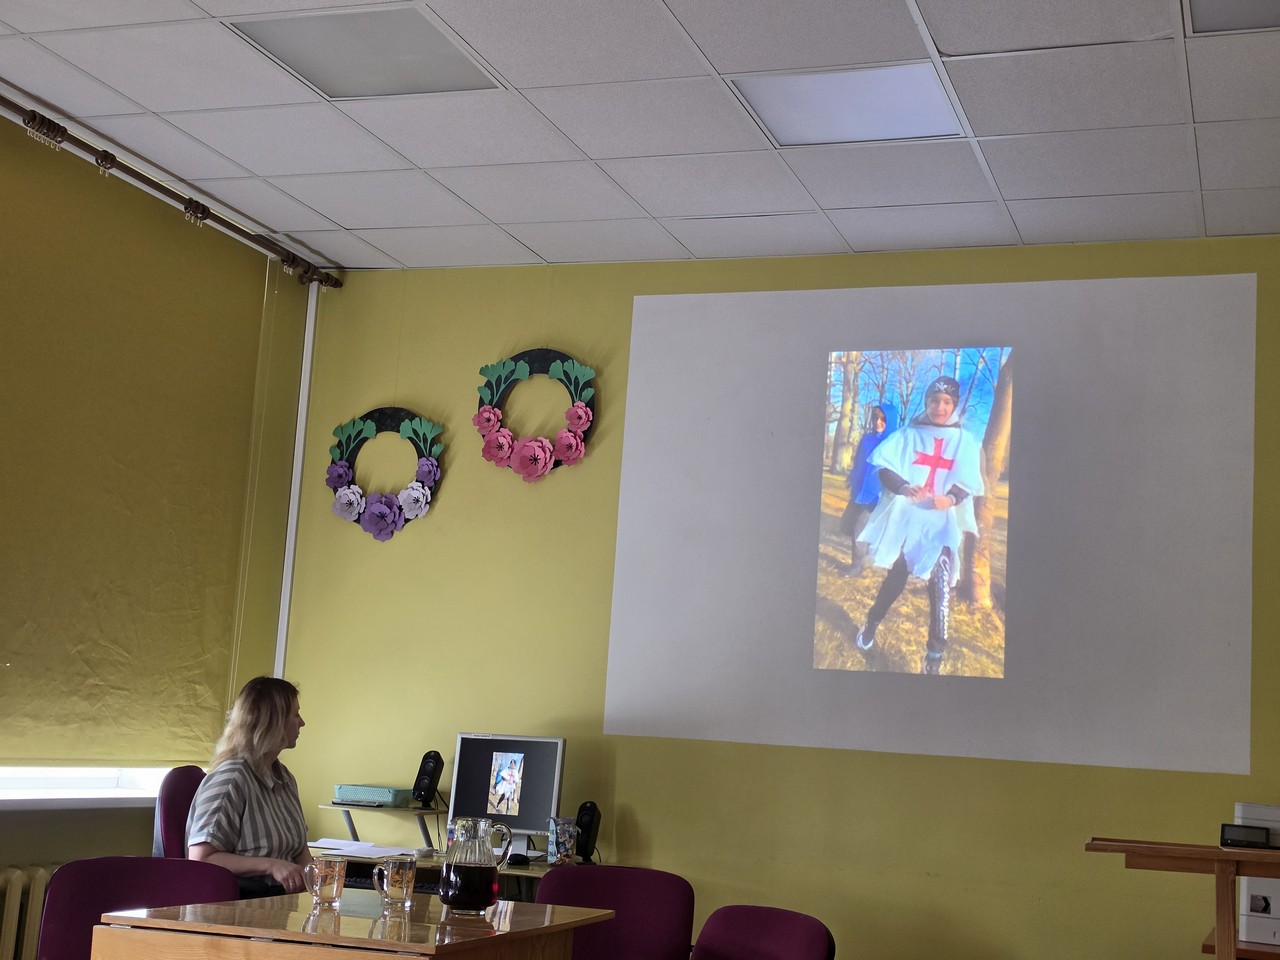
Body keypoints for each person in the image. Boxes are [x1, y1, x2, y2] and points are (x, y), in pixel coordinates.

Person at [854, 376, 984, 674]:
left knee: (940, 589)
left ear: (954, 405)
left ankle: (934, 656)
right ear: (927, 402)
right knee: (895, 581)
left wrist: (951, 498)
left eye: (947, 402)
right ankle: (871, 623)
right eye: (934, 400)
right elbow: (885, 467)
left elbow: (967, 480)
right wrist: (904, 487)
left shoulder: (964, 441)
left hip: (941, 524)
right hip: (909, 520)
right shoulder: (908, 434)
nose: (940, 407)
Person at [187, 676, 312, 897]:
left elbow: (300, 852)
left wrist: (317, 877)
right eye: (296, 714)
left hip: (282, 901)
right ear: (273, 721)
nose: (302, 722)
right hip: (240, 903)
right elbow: (201, 859)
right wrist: (271, 866)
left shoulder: (285, 778)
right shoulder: (231, 779)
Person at [841, 403, 899, 575]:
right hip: (859, 491)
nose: (878, 422)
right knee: (846, 526)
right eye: (875, 418)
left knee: (860, 529)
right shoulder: (867, 439)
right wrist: (852, 478)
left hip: (877, 495)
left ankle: (857, 566)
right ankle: (867, 551)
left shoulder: (893, 444)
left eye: (883, 419)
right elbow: (859, 462)